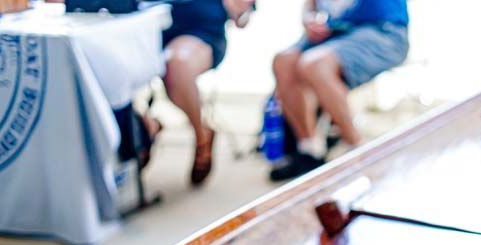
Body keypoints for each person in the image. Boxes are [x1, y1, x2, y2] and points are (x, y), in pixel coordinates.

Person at [270, 0, 409, 181]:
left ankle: (357, 148)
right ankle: (310, 150)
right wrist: (309, 19)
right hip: (336, 32)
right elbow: (311, 4)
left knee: (314, 64)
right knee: (283, 61)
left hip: (380, 29)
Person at [150, 0, 255, 186]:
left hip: (199, 30)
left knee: (176, 65)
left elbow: (242, 18)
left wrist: (239, 8)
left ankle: (201, 135)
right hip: (140, 27)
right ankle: (143, 127)